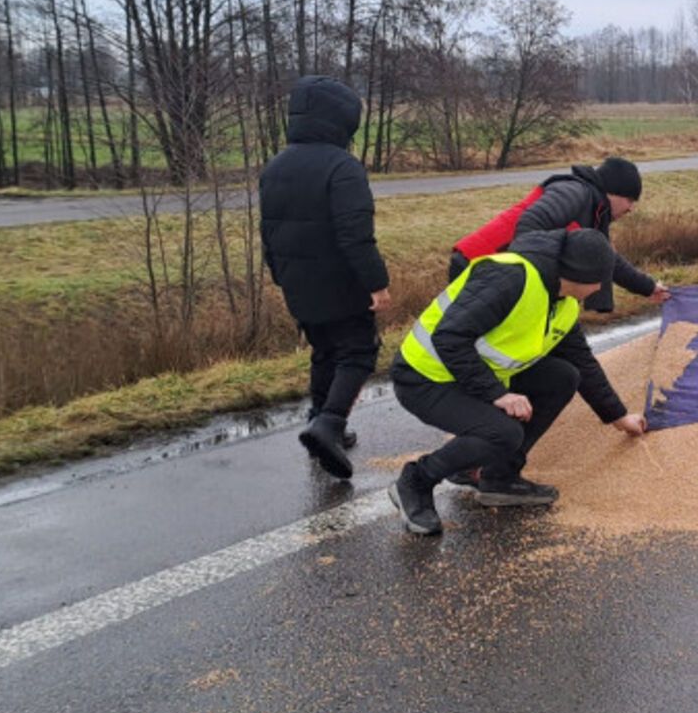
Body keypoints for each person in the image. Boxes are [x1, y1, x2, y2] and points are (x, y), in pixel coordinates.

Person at [388, 227, 649, 535]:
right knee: (503, 433)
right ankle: (416, 480)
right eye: (600, 281)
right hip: (424, 376)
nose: (600, 288)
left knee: (564, 376)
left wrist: (618, 417)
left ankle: (500, 477)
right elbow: (449, 336)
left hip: (467, 374)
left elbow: (583, 362)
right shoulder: (511, 278)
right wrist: (497, 393)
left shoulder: (562, 302)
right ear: (581, 274)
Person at [260, 75, 390, 480]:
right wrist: (376, 282)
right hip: (341, 280)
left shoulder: (275, 166)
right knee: (358, 350)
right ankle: (330, 423)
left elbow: (268, 229)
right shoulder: (342, 166)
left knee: (324, 351)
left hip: (297, 280)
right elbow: (355, 233)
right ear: (341, 121)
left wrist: (281, 276)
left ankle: (321, 418)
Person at [451, 156, 671, 314]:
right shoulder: (574, 192)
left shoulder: (596, 214)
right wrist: (540, 284)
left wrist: (648, 287)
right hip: (477, 265)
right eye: (630, 200)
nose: (631, 209)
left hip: (499, 273)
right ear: (613, 192)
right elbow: (530, 224)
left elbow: (606, 260)